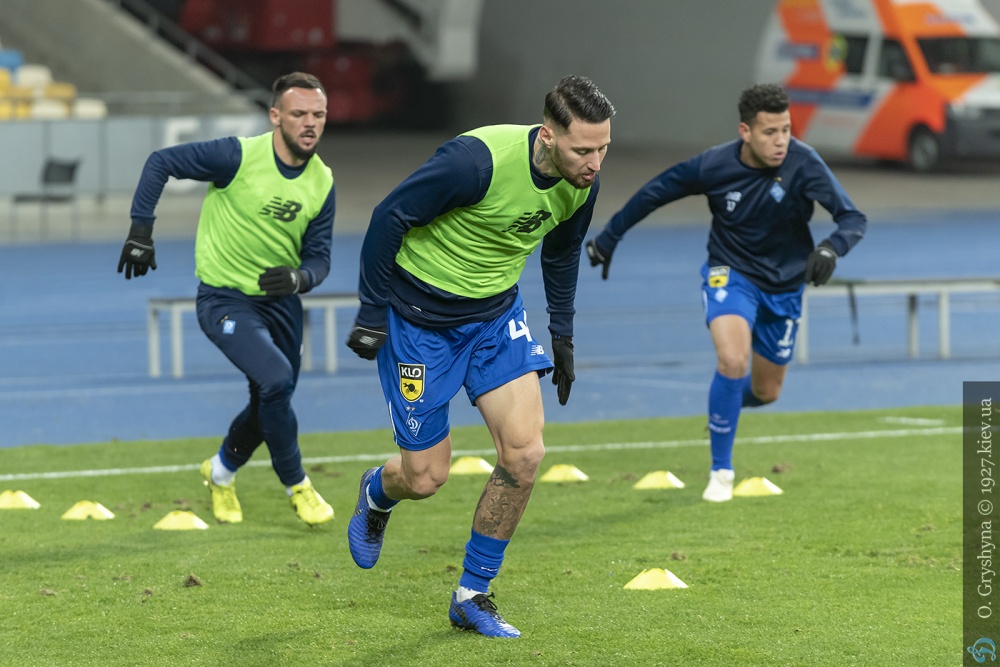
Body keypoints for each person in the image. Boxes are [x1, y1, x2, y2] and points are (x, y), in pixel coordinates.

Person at [344, 75, 615, 638]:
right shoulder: (475, 163)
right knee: (425, 478)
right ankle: (377, 491)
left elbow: (561, 254)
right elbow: (389, 217)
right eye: (583, 150)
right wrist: (371, 312)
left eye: (603, 148)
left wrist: (562, 334)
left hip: (494, 319)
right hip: (418, 323)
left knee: (525, 453)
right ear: (547, 136)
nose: (594, 163)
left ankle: (472, 594)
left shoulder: (581, 182)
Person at [585, 83, 866, 503]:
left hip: (785, 287)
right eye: (770, 132)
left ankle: (725, 406)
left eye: (786, 130)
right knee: (732, 360)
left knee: (767, 392)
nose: (781, 141)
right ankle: (721, 471)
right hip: (730, 274)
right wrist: (610, 236)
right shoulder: (714, 165)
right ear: (745, 132)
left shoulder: (804, 162)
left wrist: (831, 248)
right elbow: (656, 192)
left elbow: (853, 218)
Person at [117, 72, 337, 527]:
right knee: (276, 380)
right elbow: (161, 162)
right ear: (275, 116)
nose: (310, 123)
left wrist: (299, 278)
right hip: (225, 300)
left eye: (318, 114)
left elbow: (320, 257)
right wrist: (141, 231)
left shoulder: (322, 181)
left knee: (271, 397)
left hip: (282, 305)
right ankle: (298, 485)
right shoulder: (237, 156)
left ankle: (219, 473)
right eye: (299, 114)